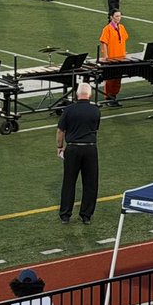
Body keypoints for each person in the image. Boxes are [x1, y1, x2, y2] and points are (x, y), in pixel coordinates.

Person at [57, 82, 100, 225]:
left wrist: (60, 146)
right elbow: (95, 129)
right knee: (90, 183)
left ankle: (65, 215)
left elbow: (60, 130)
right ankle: (86, 215)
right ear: (90, 94)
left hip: (73, 148)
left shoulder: (68, 110)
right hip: (90, 148)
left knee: (69, 182)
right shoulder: (95, 110)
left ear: (76, 94)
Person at [98, 11, 129, 106]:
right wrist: (106, 56)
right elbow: (104, 43)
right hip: (111, 57)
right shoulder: (107, 29)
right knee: (110, 78)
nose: (119, 18)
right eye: (116, 16)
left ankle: (114, 96)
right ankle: (108, 97)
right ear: (112, 17)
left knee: (118, 78)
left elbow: (124, 39)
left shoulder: (122, 27)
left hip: (120, 57)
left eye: (120, 16)